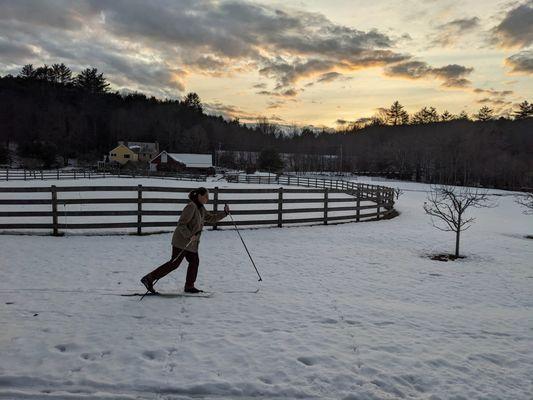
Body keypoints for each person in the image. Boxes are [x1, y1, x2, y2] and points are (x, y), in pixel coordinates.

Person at [141, 187, 230, 293]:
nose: (208, 199)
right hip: (182, 241)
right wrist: (189, 236)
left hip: (191, 244)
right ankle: (149, 279)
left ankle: (189, 286)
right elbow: (181, 224)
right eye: (206, 196)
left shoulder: (201, 208)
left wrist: (225, 213)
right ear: (199, 196)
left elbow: (211, 218)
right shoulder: (191, 207)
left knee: (194, 261)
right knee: (174, 263)